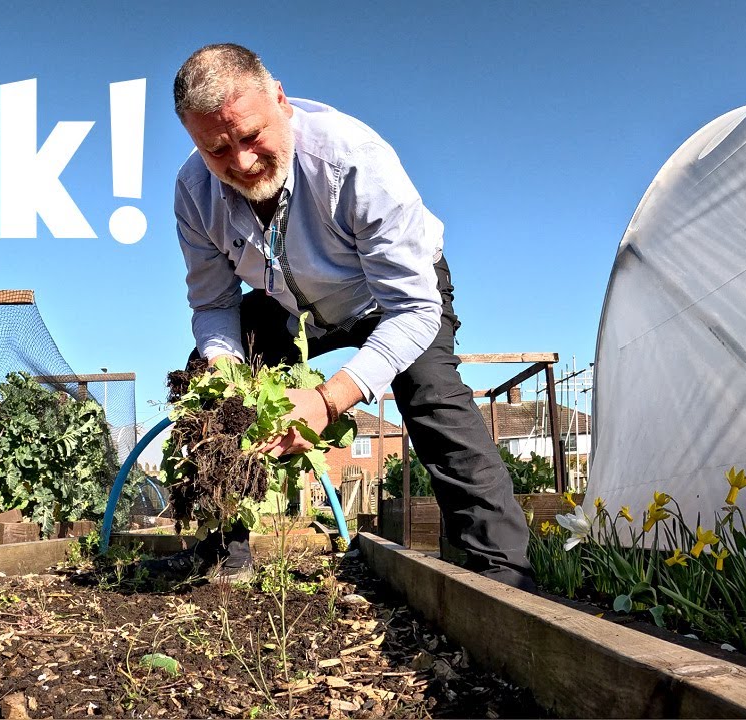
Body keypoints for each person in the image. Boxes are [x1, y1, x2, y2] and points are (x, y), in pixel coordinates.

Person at [157, 43, 534, 592]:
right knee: (209, 394)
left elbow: (413, 308)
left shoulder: (353, 160)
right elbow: (214, 304)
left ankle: (505, 579)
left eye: (250, 136)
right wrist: (225, 372)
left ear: (280, 100)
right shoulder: (195, 192)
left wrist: (329, 398)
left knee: (433, 399)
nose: (239, 161)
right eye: (216, 149)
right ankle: (223, 554)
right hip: (289, 305)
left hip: (389, 298)